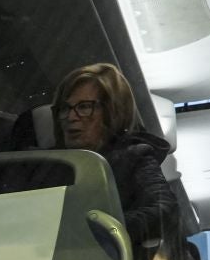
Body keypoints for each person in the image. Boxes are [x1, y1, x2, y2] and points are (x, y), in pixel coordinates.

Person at [51, 63, 178, 248]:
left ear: (112, 112)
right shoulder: (46, 164)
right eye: (65, 108)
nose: (71, 117)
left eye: (84, 107)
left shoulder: (134, 157)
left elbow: (165, 210)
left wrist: (96, 230)